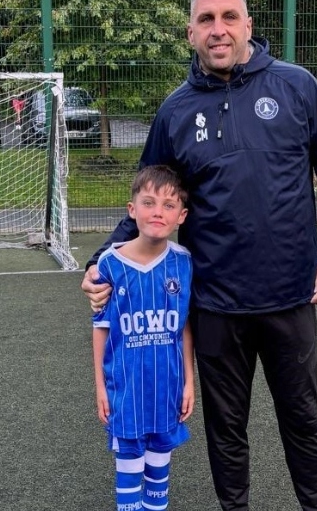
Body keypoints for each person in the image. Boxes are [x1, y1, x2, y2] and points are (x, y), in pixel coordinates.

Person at [82, 0, 317, 509]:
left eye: (229, 17)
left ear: (248, 25)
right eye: (206, 20)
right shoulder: (176, 111)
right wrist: (102, 261)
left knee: (302, 424)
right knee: (226, 433)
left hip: (290, 299)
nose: (218, 30)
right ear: (190, 32)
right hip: (214, 307)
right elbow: (150, 199)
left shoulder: (296, 87)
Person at [91, 165, 196, 510]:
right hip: (126, 388)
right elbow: (101, 328)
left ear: (181, 216)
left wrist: (188, 382)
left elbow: (183, 326)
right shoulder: (110, 263)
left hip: (167, 386)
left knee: (159, 473)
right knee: (129, 471)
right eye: (148, 202)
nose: (157, 212)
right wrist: (100, 387)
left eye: (168, 206)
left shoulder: (183, 263)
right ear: (132, 209)